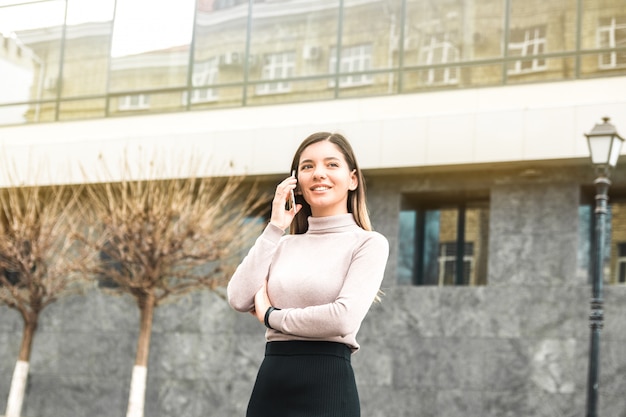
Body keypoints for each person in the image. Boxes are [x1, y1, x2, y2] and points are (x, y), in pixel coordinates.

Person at [227, 132, 389, 417]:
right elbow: (239, 298)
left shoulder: (368, 243)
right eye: (307, 166)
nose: (319, 174)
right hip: (272, 382)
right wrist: (275, 227)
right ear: (296, 182)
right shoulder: (281, 244)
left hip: (327, 384)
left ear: (352, 179)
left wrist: (271, 316)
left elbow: (342, 318)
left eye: (331, 164)